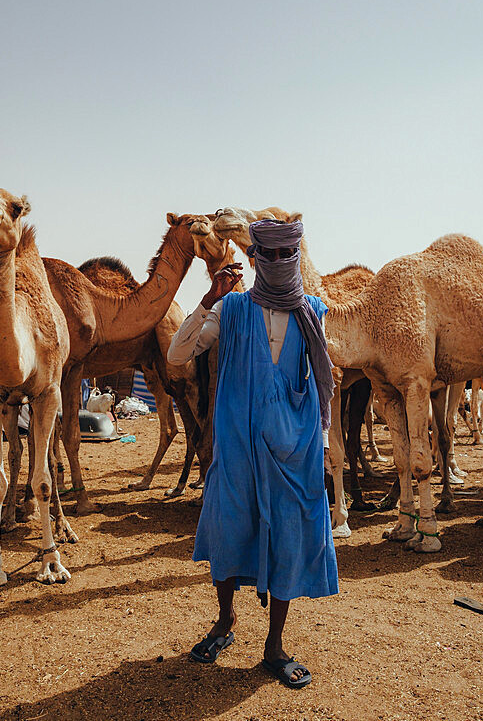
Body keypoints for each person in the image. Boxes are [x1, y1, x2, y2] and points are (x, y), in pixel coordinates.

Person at [167, 218, 339, 689]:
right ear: (256, 258)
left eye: (288, 255)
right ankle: (225, 622)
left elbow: (322, 386)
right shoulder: (233, 310)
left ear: (297, 256)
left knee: (287, 534)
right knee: (228, 526)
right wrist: (209, 300)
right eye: (270, 255)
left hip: (294, 447)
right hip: (238, 443)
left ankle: (275, 645)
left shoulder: (313, 313)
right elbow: (177, 356)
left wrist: (322, 451)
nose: (280, 263)